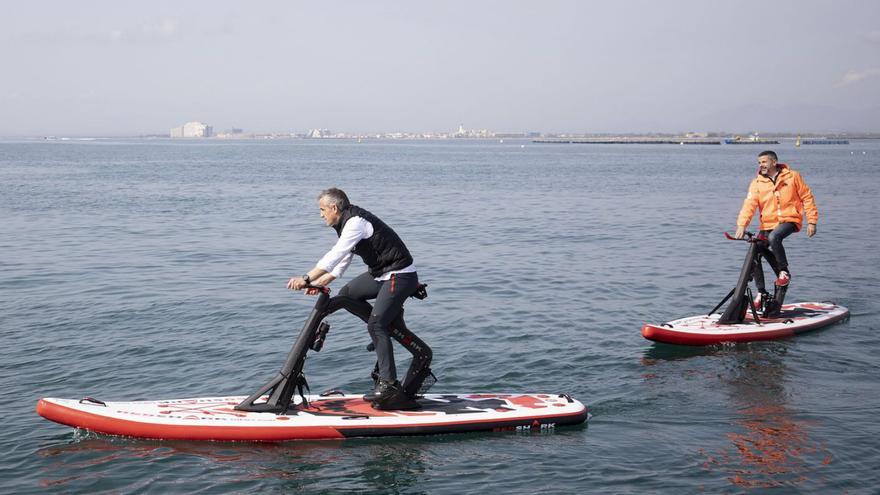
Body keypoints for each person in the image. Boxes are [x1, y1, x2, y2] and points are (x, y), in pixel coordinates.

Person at [287, 188, 421, 405]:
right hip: (380, 275)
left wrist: (306, 277)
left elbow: (337, 254)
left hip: (399, 275)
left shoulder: (355, 222)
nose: (321, 215)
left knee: (376, 325)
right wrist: (320, 283)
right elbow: (345, 257)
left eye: (322, 210)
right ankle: (382, 329)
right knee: (347, 295)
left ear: (334, 208)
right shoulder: (345, 224)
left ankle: (388, 385)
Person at [735, 150, 818, 304]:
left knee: (774, 237)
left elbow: (807, 197)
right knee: (754, 250)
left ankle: (784, 272)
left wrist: (811, 221)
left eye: (764, 162)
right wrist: (741, 225)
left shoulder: (793, 176)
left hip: (790, 219)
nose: (761, 165)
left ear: (774, 162)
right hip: (767, 223)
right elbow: (749, 205)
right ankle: (761, 293)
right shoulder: (757, 183)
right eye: (759, 163)